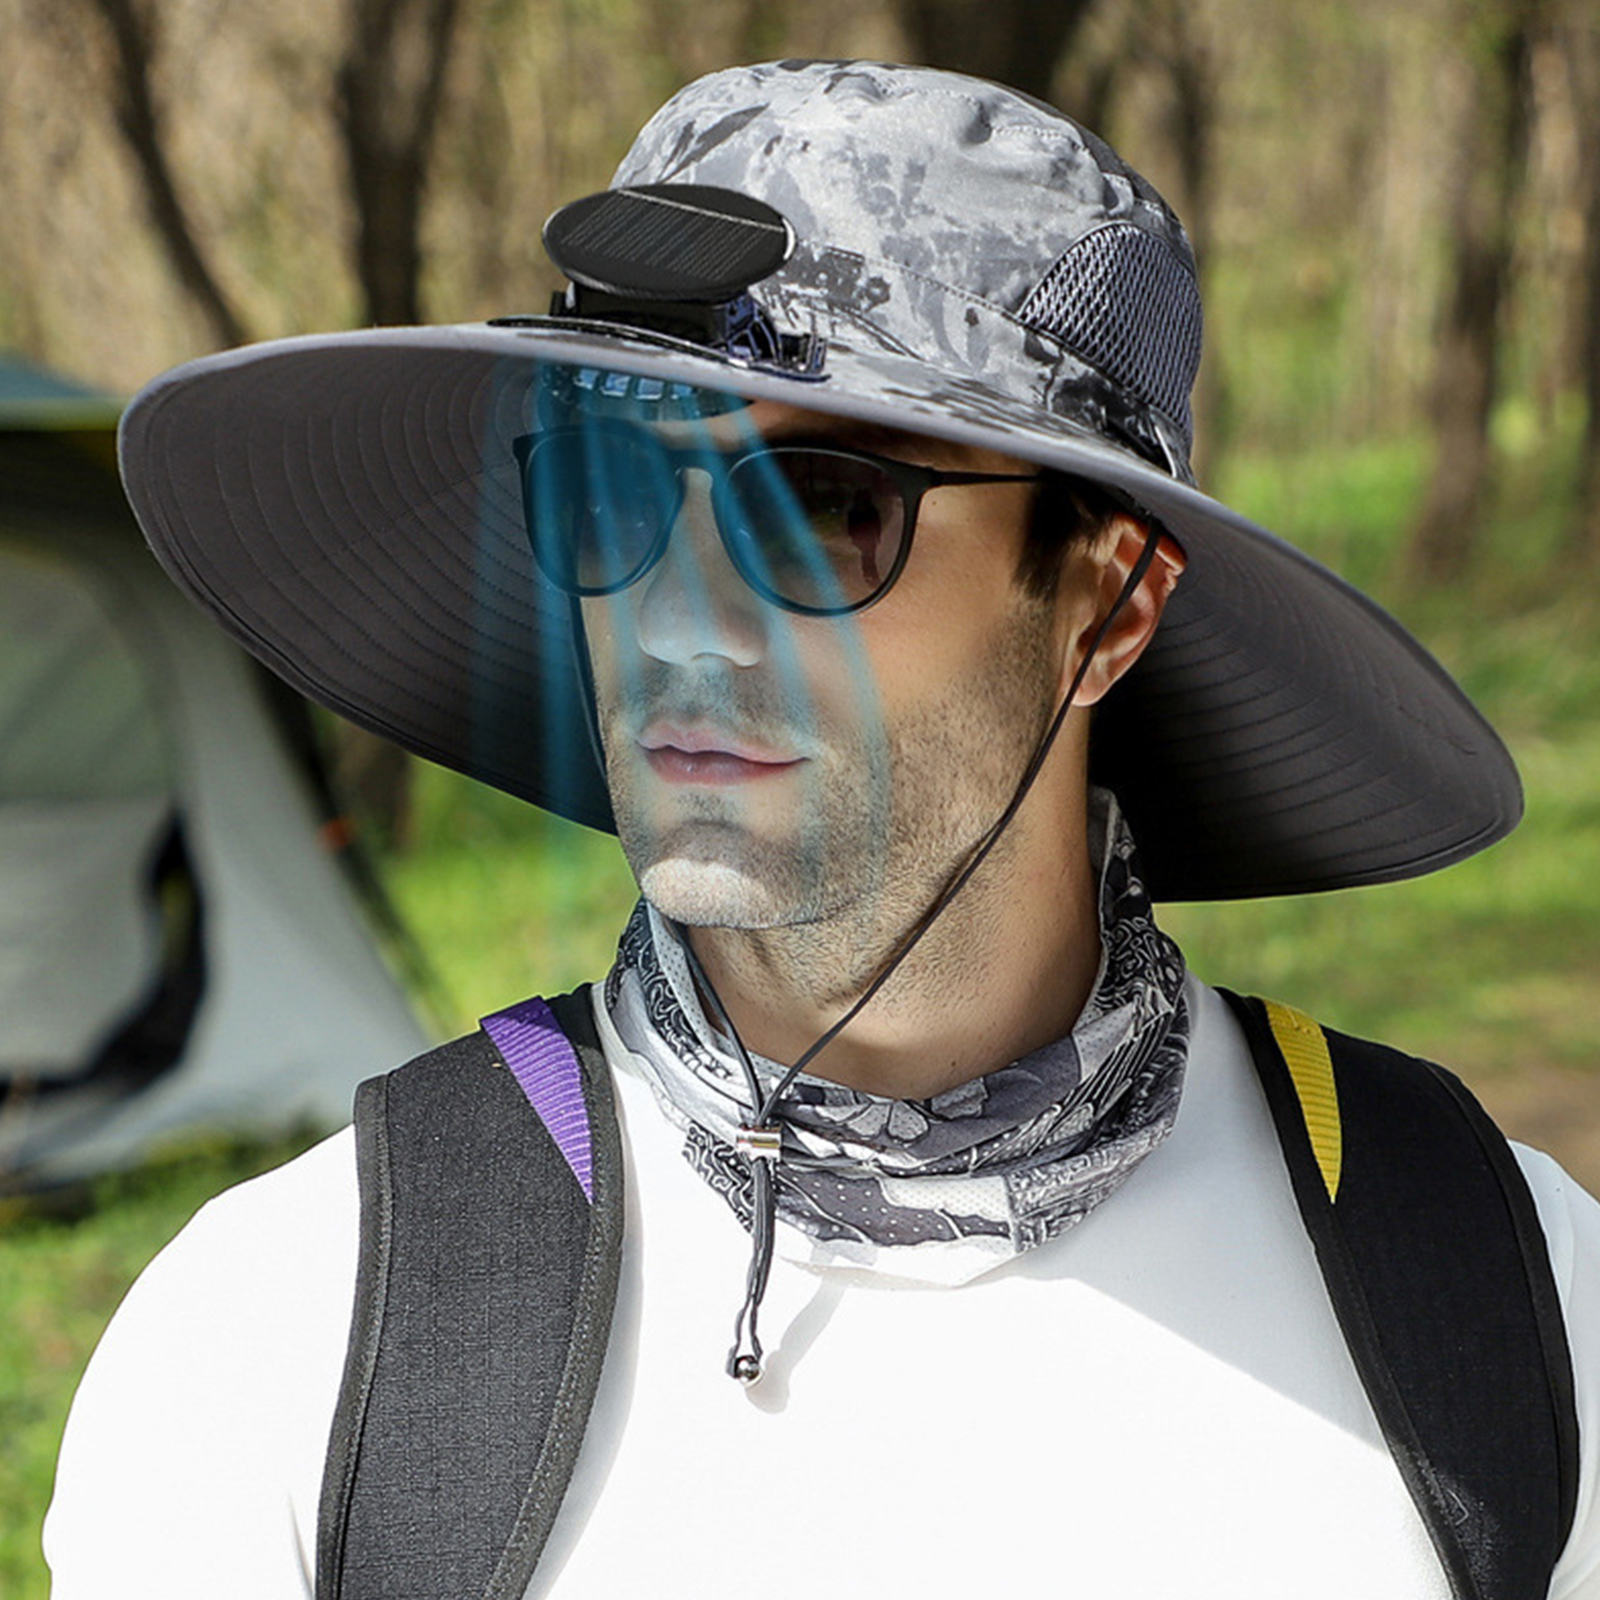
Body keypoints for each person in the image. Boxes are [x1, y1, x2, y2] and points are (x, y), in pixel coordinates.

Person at [45, 58, 1600, 1600]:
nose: (678, 621)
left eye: (821, 509)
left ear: (1110, 601)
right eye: (615, 494)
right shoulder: (289, 1342)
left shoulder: (1497, 1290)